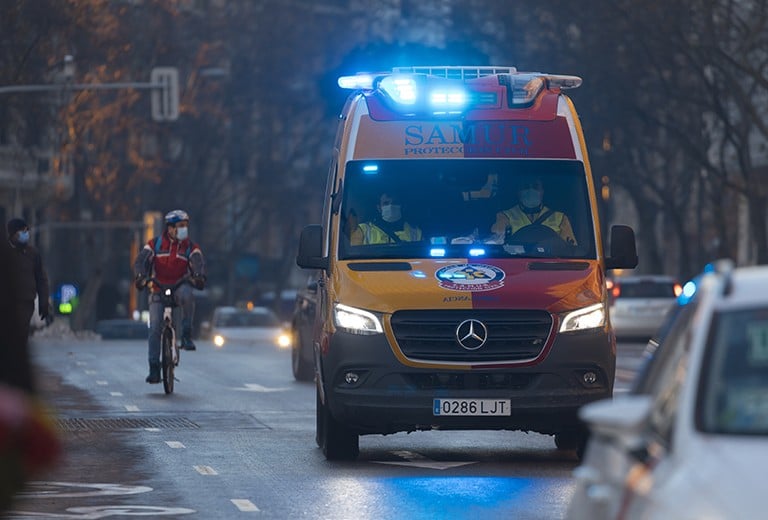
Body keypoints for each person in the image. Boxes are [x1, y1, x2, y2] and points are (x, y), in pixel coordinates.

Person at [133, 210, 206, 384]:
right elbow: (140, 261)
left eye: (186, 226)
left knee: (188, 295)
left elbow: (198, 262)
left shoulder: (191, 248)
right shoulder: (155, 244)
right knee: (154, 328)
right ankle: (154, 368)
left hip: (179, 287)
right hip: (158, 288)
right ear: (171, 228)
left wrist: (198, 275)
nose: (184, 230)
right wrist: (140, 277)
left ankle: (187, 334)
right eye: (181, 226)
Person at [490, 177, 577, 245]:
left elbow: (570, 248)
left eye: (535, 187)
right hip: (516, 260)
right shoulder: (505, 215)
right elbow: (496, 242)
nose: (530, 190)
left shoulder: (560, 217)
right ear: (518, 192)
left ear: (542, 191)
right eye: (526, 187)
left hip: (550, 262)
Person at [6, 218, 51, 342]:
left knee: (21, 335)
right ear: (13, 234)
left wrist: (44, 302)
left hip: (26, 303)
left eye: (27, 231)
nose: (26, 234)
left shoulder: (33, 254)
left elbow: (41, 279)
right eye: (22, 231)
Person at [350, 191, 422, 245]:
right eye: (386, 203)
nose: (391, 206)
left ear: (401, 206)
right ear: (379, 208)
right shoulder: (363, 230)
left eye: (395, 202)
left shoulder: (415, 232)